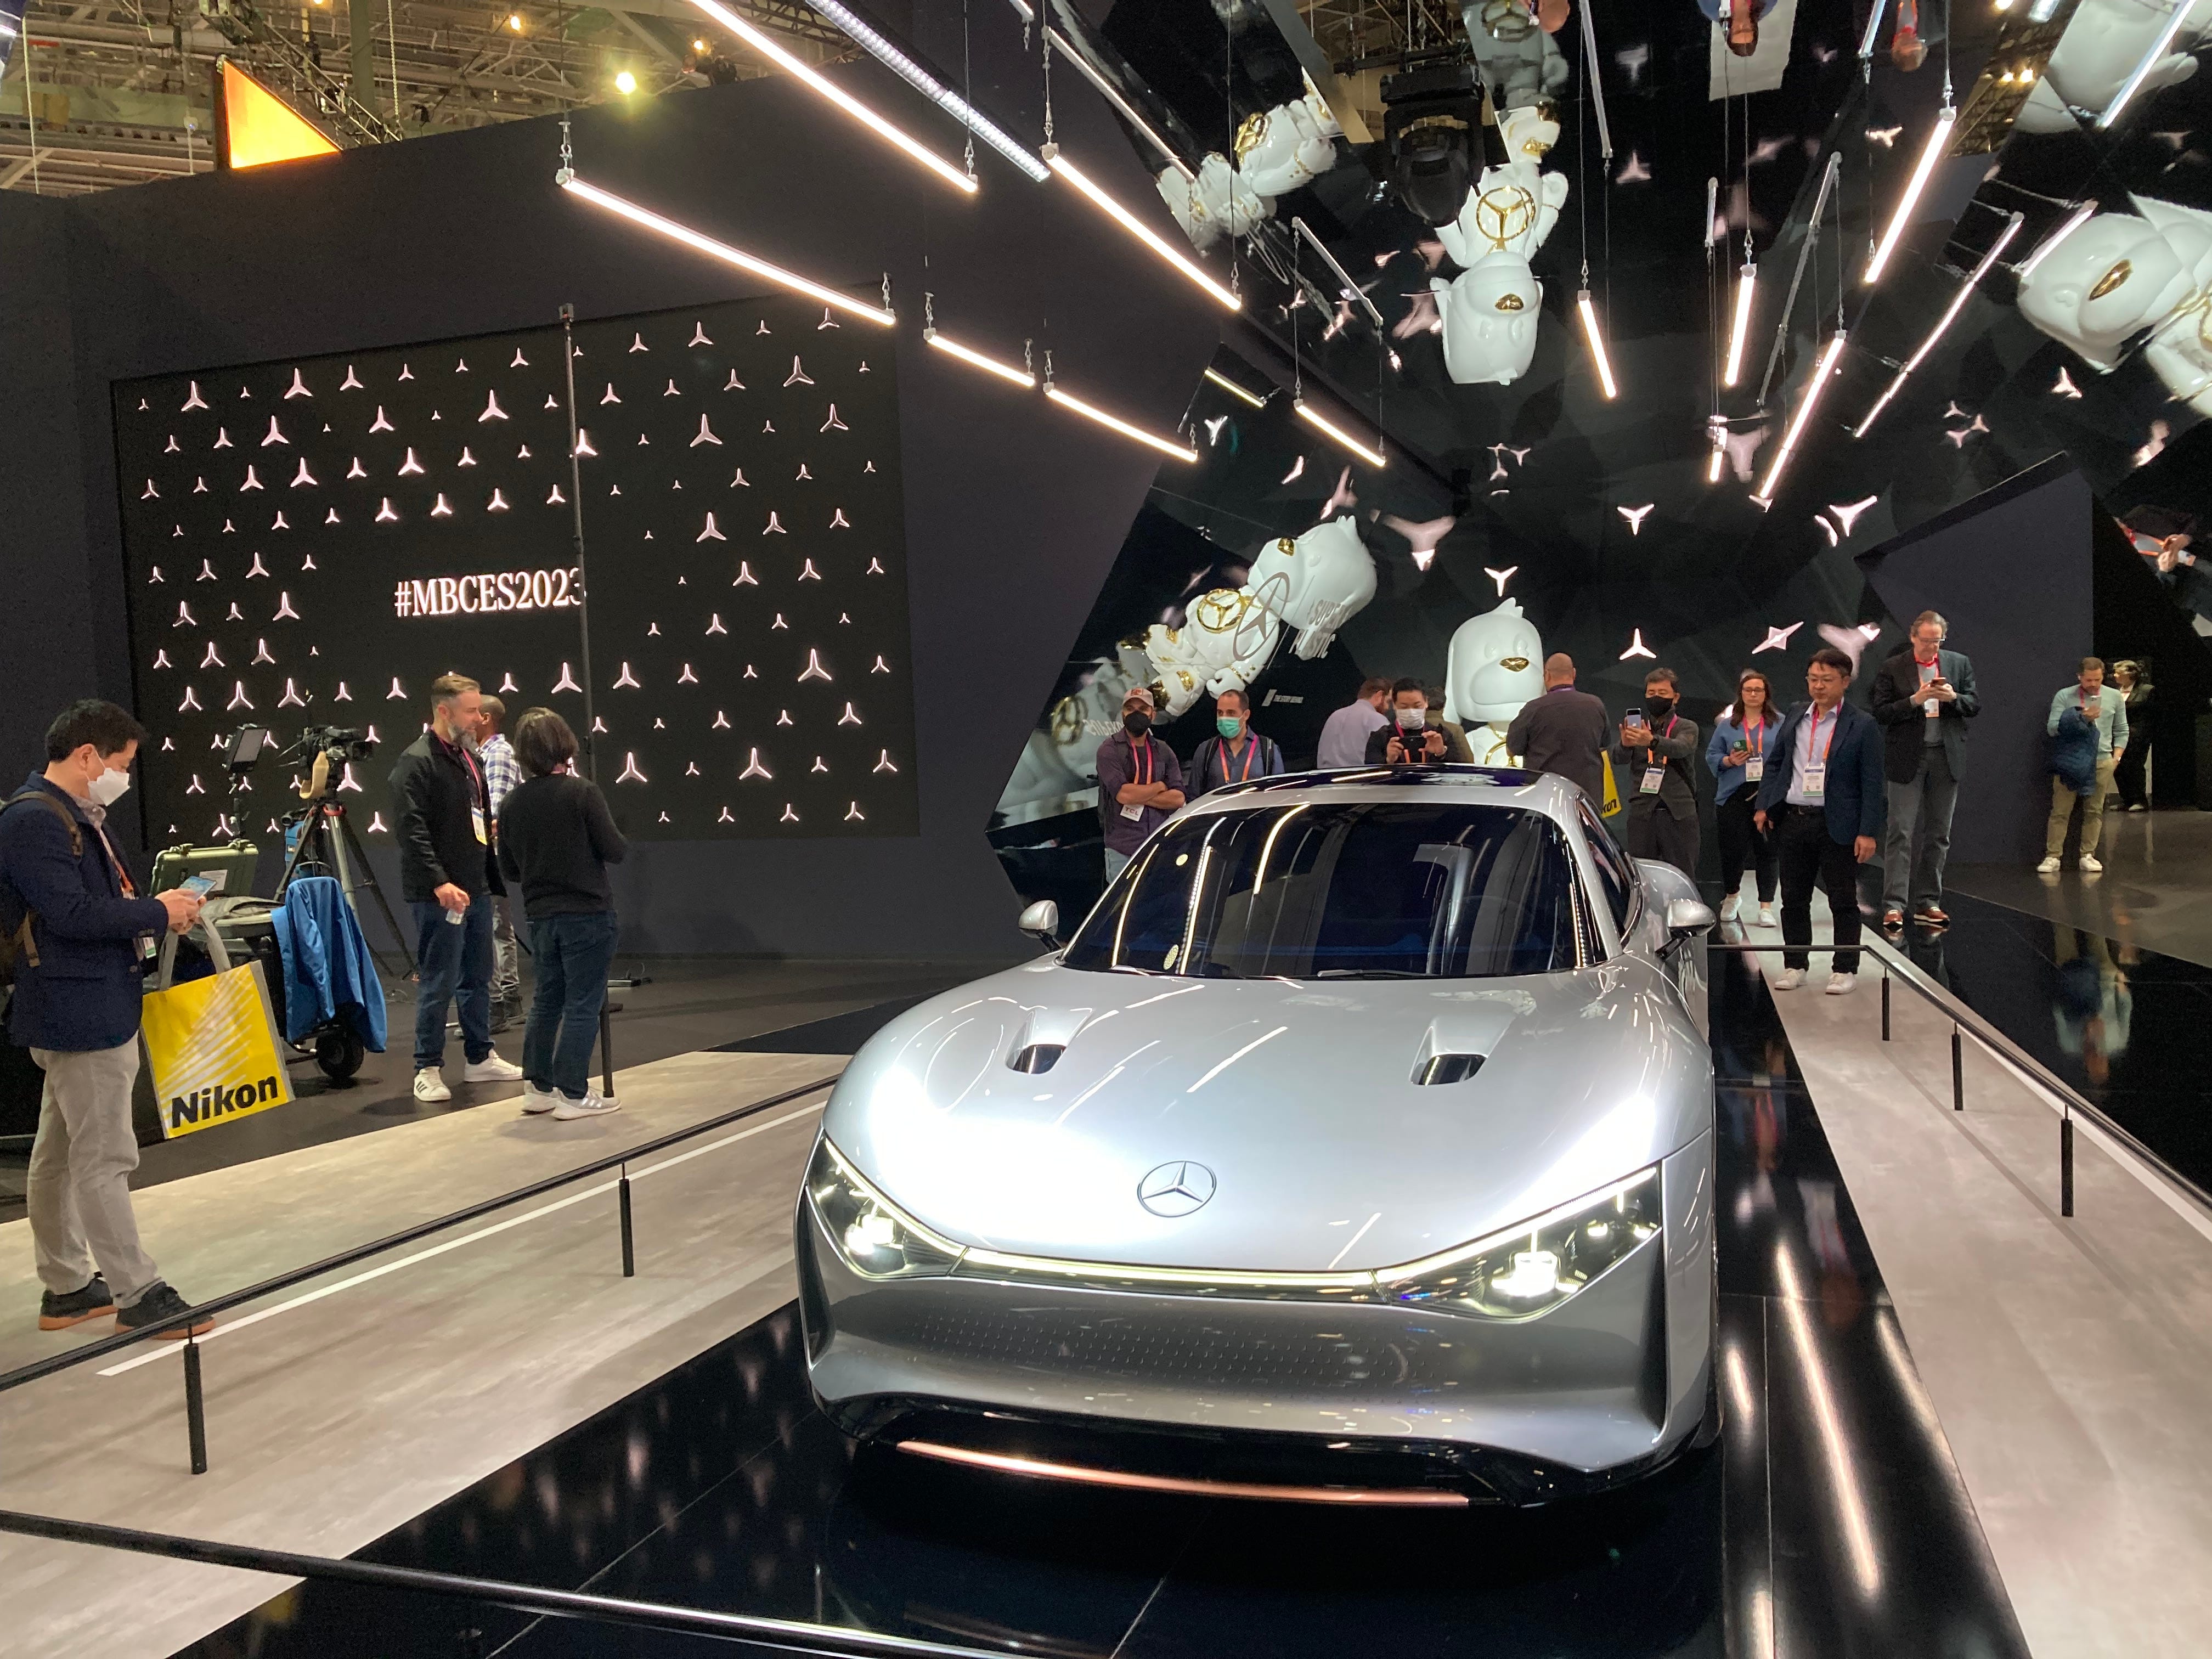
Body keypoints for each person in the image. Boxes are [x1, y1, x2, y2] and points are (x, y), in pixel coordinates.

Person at [0, 701, 212, 1338]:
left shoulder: (68, 814)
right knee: (103, 1157)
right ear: (87, 755)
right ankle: (136, 1290)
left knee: (62, 1154)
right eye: (119, 764)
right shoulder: (36, 819)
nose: (121, 777)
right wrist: (156, 911)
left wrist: (161, 911)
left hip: (85, 1004)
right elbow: (71, 915)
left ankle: (65, 1287)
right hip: (78, 1007)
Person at [388, 673, 522, 1102]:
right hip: (439, 894)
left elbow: (471, 814)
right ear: (443, 711)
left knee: (478, 976)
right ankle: (426, 1067)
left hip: (477, 886)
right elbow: (412, 833)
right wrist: (440, 882)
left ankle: (480, 1057)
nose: (479, 718)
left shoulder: (470, 758)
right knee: (438, 980)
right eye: (470, 710)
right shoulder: (416, 762)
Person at [498, 709, 628, 1121]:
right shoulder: (582, 793)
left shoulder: (512, 803)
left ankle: (538, 1085)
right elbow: (615, 850)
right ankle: (573, 1091)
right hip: (587, 914)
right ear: (565, 745)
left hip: (541, 917)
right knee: (583, 1004)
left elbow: (510, 869)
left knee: (547, 1001)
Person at [1754, 647, 1885, 995]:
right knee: (1793, 898)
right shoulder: (1796, 714)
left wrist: (1868, 831)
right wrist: (1765, 804)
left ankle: (1844, 967)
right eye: (1813, 679)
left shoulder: (1863, 724)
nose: (1819, 686)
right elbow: (1777, 763)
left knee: (1842, 899)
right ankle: (1796, 963)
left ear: (1845, 681)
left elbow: (1873, 782)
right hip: (1794, 819)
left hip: (1837, 822)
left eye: (1827, 680)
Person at [1869, 611, 1979, 930]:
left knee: (1939, 834)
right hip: (1908, 758)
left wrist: (1953, 697)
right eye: (1927, 640)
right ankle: (1893, 905)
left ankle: (1928, 901)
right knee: (1900, 832)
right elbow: (1881, 712)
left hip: (1946, 756)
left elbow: (1974, 705)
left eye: (1938, 640)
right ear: (1913, 637)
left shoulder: (1959, 663)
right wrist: (1915, 700)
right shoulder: (1894, 666)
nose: (1933, 646)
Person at [2039, 657, 2128, 874]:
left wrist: (2115, 759)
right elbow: (2052, 728)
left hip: (2102, 760)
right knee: (2061, 810)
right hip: (2071, 760)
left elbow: (2122, 731)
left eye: (2098, 679)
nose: (2094, 684)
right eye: (2089, 680)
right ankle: (2053, 857)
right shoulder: (2065, 695)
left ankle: (2088, 855)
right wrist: (2081, 719)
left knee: (2095, 810)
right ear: (2080, 677)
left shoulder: (2114, 696)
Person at [1707, 670, 1781, 927]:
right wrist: (1729, 760)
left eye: (1758, 690)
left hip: (1768, 794)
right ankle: (1732, 897)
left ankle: (1766, 906)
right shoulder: (1728, 725)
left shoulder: (1779, 723)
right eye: (1748, 690)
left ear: (1766, 694)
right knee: (1732, 851)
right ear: (1741, 694)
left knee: (1768, 851)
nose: (1753, 694)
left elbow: (1787, 756)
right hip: (1734, 795)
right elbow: (1712, 755)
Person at [1609, 667, 1700, 877]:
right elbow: (1617, 758)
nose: (1656, 698)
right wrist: (1625, 745)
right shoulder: (1639, 727)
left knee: (1683, 873)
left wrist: (1651, 740)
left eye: (1662, 693)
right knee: (1643, 874)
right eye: (1651, 693)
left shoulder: (1688, 727)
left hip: (1679, 811)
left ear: (1675, 698)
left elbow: (1680, 748)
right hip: (1643, 811)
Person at [1095, 687, 1184, 885]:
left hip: (1159, 847)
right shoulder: (1108, 750)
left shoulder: (1163, 750)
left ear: (1152, 714)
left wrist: (1139, 794)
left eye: (1143, 709)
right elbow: (1124, 795)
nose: (1136, 713)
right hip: (1122, 850)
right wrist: (1160, 786)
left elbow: (1178, 798)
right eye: (1130, 708)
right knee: (1122, 911)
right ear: (1123, 713)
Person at [1505, 652, 1610, 803]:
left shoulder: (1533, 709)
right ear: (1574, 674)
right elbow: (1603, 744)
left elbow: (1512, 749)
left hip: (1547, 799)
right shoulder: (1596, 705)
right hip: (1588, 799)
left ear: (1546, 675)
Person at [476, 695, 523, 1015]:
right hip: (485, 851)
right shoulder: (483, 755)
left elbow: (495, 811)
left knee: (492, 925)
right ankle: (507, 999)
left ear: (487, 718)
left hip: (488, 852)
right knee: (496, 926)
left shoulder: (498, 755)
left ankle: (499, 1004)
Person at [1186, 689, 1285, 795]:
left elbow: (1278, 795)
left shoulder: (1268, 750)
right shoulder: (1206, 750)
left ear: (1246, 715)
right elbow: (1194, 797)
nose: (1224, 718)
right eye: (1220, 713)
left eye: (1231, 713)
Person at [1367, 678, 1448, 764]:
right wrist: (1388, 761)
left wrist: (1441, 754)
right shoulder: (1381, 737)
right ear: (1394, 705)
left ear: (1426, 702)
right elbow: (1370, 773)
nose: (1411, 712)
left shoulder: (1441, 735)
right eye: (1404, 707)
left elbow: (1458, 770)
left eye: (1417, 706)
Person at [1317, 676, 1392, 768]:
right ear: (1380, 696)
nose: (1387, 708)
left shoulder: (1334, 716)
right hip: (1359, 779)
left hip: (1326, 779)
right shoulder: (1378, 720)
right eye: (1388, 702)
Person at [2111, 659, 2153, 811]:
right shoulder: (2115, 692)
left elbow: (2152, 715)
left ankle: (2139, 800)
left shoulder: (2147, 690)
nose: (2115, 676)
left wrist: (2143, 732)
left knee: (2134, 766)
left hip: (2138, 736)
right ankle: (2126, 799)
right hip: (2117, 734)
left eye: (2118, 673)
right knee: (2118, 767)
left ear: (2130, 674)